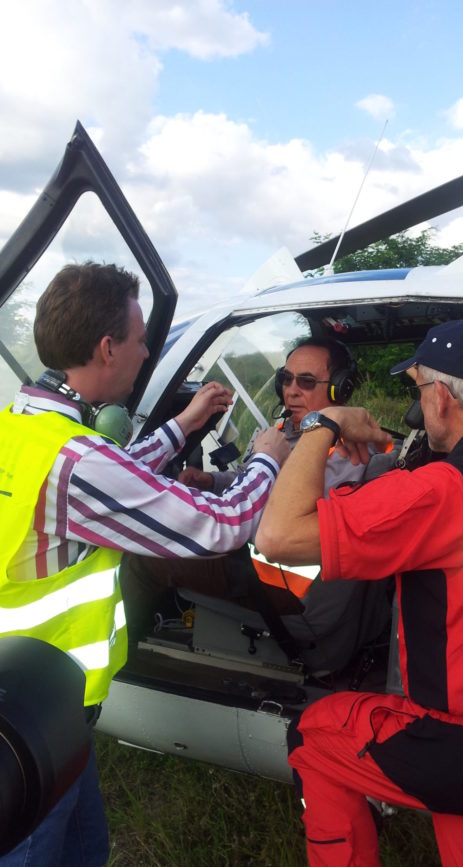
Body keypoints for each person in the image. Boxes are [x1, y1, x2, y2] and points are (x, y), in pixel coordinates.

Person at [255, 319, 463, 867]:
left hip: (458, 749)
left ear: (438, 398)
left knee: (313, 736)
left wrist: (323, 424)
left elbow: (277, 535)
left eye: (415, 389)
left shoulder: (441, 494)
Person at [0, 261, 289, 867]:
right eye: (139, 338)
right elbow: (220, 525)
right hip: (30, 716)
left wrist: (182, 426)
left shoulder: (25, 430)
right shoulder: (78, 463)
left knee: (88, 848)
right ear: (108, 348)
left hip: (37, 699)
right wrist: (266, 458)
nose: (149, 348)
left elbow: (114, 472)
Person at [122, 337, 393, 671]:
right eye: (286, 379)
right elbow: (250, 479)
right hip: (255, 559)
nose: (291, 391)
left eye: (305, 382)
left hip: (285, 584)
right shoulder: (288, 429)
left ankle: (125, 662)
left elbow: (278, 517)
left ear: (340, 388)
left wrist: (263, 461)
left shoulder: (349, 453)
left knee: (143, 557)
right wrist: (211, 481)